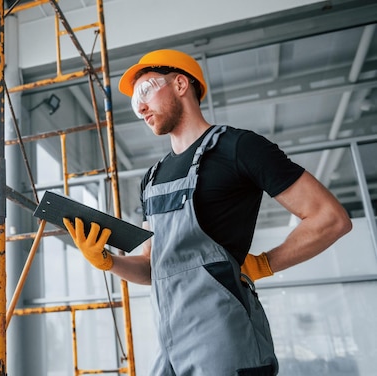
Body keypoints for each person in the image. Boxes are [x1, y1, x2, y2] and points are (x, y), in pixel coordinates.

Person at [62, 49, 352, 376]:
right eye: (134, 103)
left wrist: (265, 264)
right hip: (170, 345)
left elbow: (330, 218)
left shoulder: (238, 148)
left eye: (145, 92)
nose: (140, 108)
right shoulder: (151, 179)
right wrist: (108, 262)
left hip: (225, 344)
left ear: (181, 84)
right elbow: (154, 266)